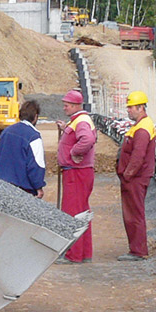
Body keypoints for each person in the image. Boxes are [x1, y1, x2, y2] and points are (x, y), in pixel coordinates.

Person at [115, 90, 156, 260]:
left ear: (141, 107)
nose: (128, 110)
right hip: (134, 177)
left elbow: (138, 156)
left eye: (131, 107)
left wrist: (127, 175)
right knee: (133, 212)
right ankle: (136, 249)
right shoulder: (140, 126)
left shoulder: (142, 129)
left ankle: (138, 251)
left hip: (135, 178)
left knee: (134, 213)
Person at [54, 89, 95, 262]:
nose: (64, 107)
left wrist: (73, 152)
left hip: (76, 172)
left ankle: (74, 255)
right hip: (80, 172)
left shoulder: (81, 122)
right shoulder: (80, 120)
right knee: (82, 212)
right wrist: (65, 129)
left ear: (76, 105)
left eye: (67, 105)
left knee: (73, 213)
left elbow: (86, 140)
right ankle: (84, 252)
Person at [0, 100, 46, 196]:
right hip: (23, 190)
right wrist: (38, 186)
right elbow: (36, 165)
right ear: (36, 117)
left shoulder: (6, 131)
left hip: (1, 185)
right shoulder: (34, 136)